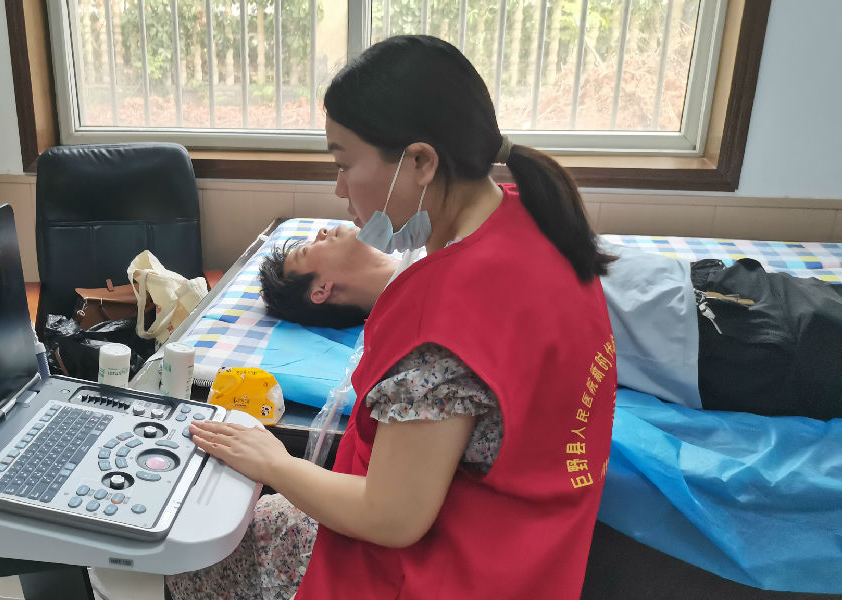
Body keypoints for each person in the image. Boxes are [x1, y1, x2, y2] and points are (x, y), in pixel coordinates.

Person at [137, 35, 618, 600]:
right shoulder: (532, 221)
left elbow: (393, 518)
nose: (339, 192)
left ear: (420, 161)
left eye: (342, 163)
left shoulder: (446, 324)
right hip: (520, 576)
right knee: (222, 544)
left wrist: (274, 459)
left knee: (258, 510)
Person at [259, 225, 842, 420]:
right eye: (308, 249)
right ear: (321, 291)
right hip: (716, 336)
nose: (323, 230)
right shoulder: (421, 309)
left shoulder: (428, 240)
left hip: (709, 282)